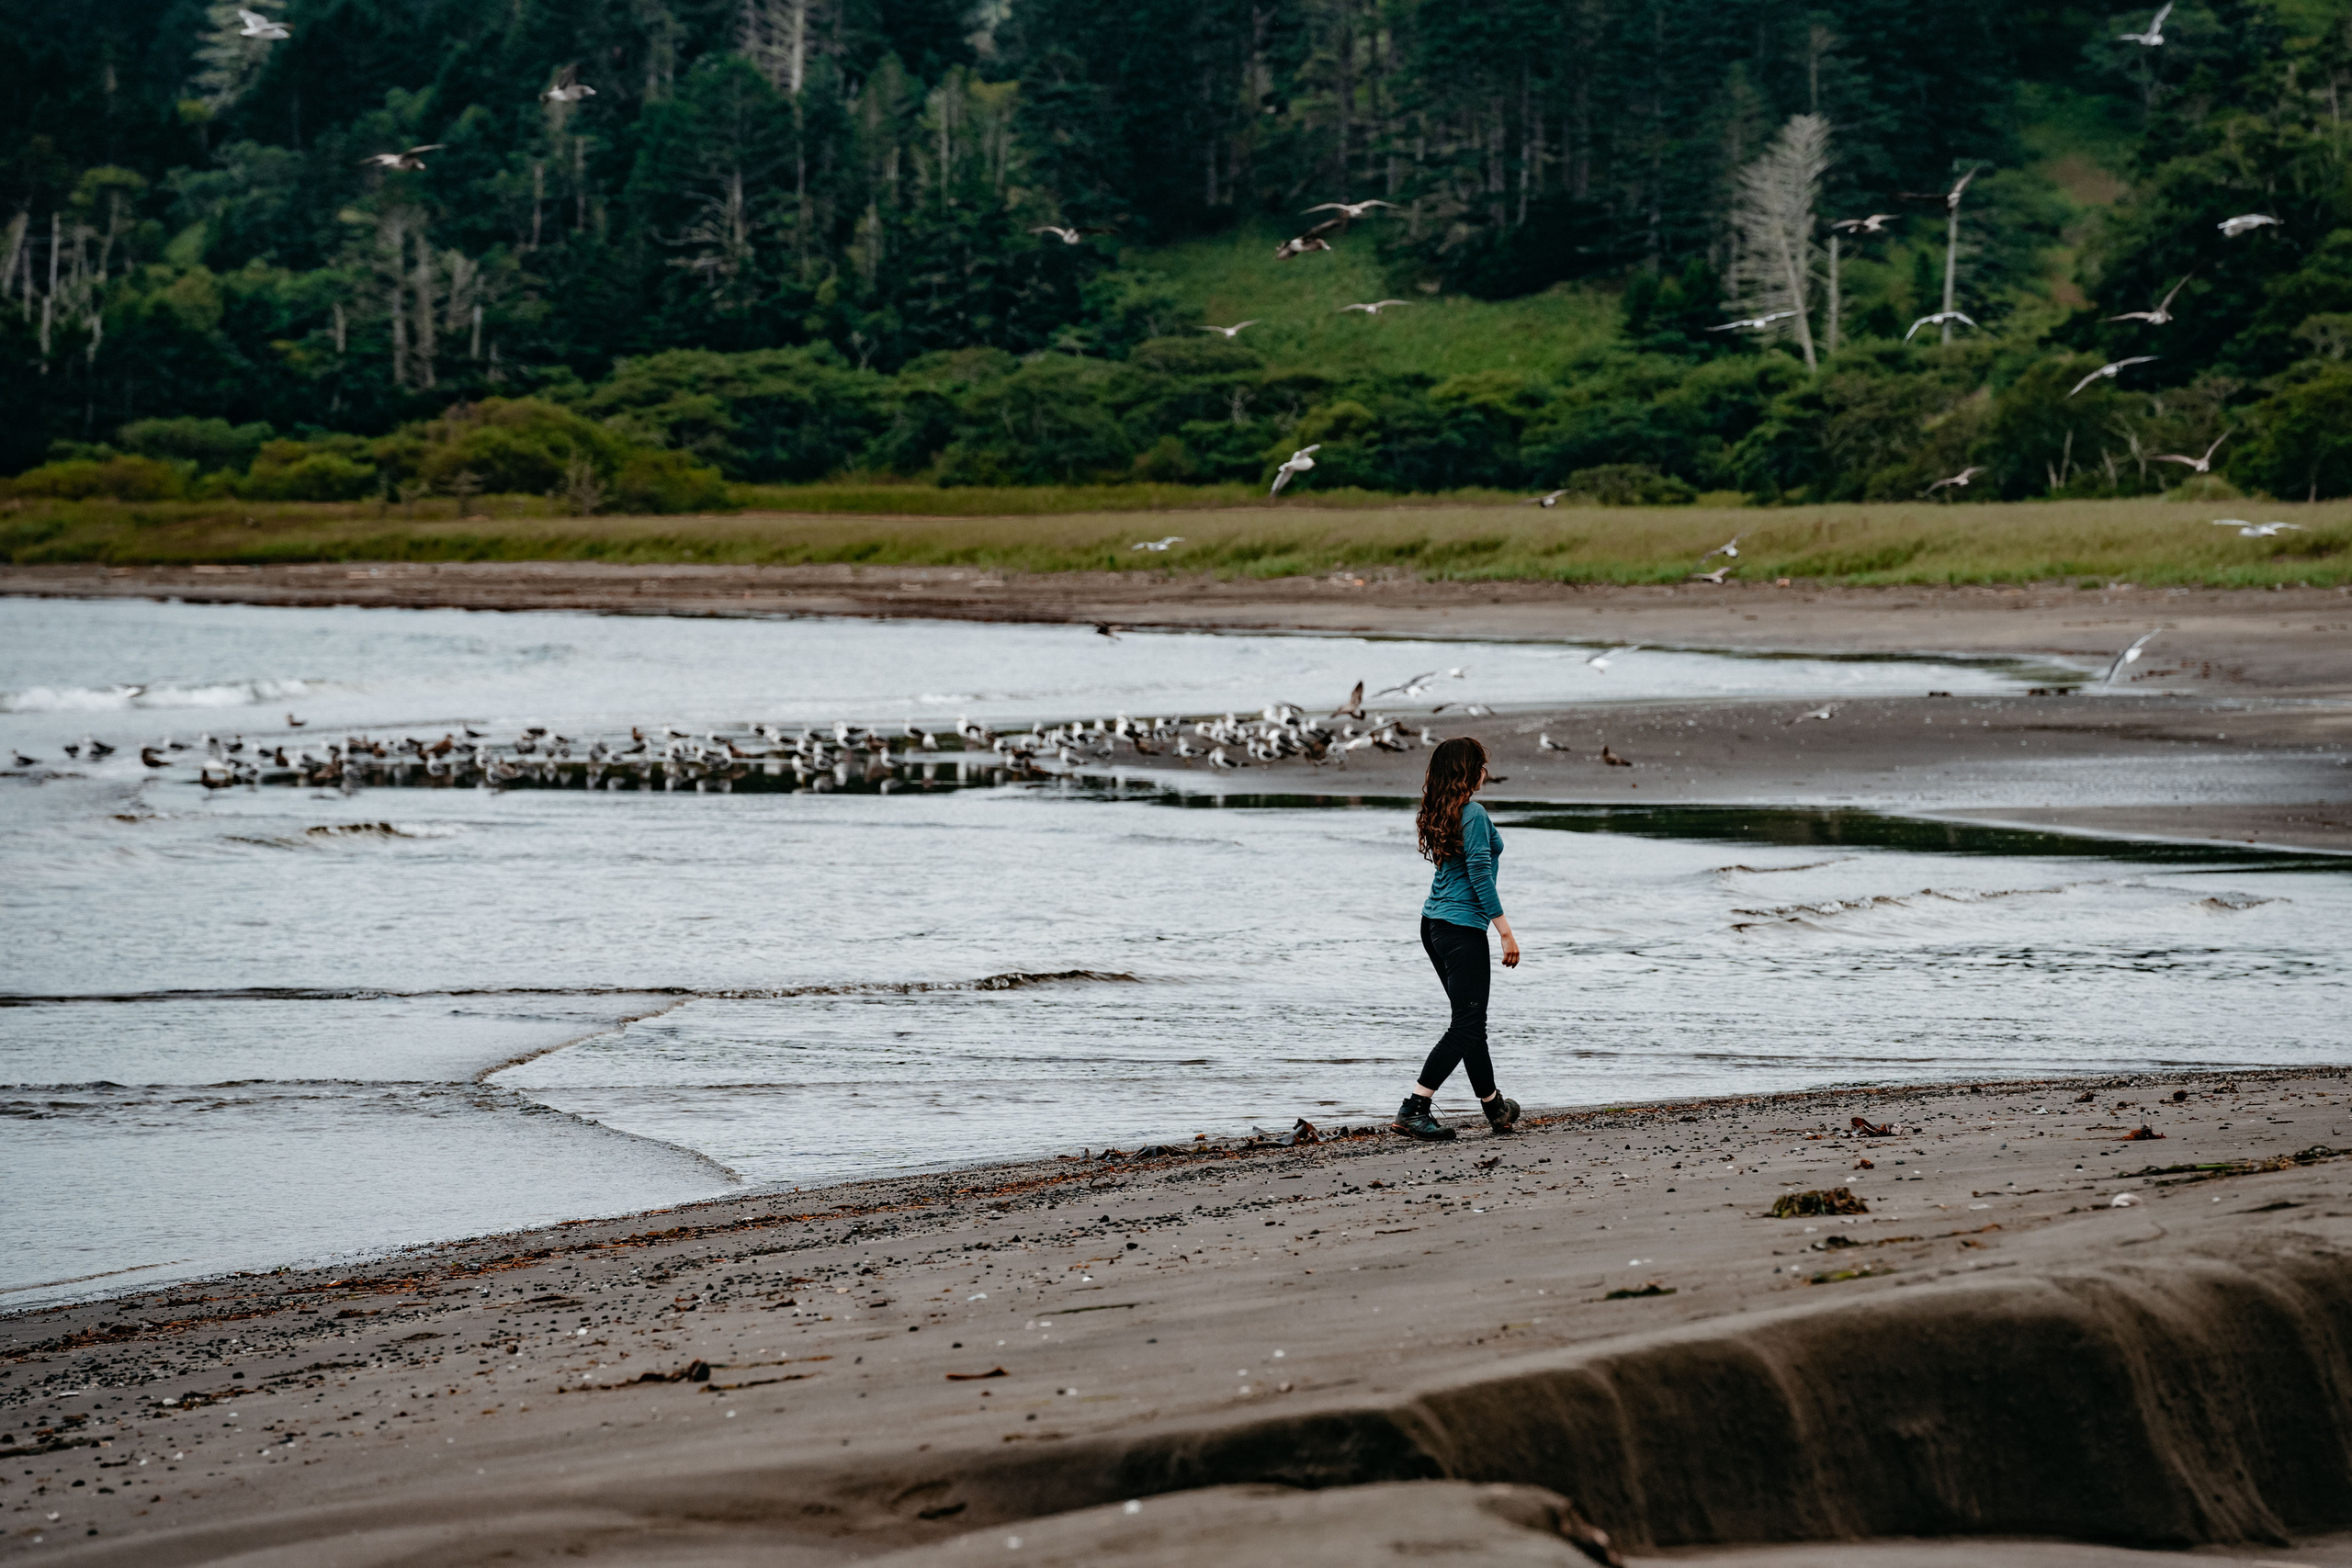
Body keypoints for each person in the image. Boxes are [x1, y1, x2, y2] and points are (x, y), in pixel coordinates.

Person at [1395, 736, 1521, 1142]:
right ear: (1468, 771)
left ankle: (1494, 1107)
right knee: (1466, 1025)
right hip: (1461, 929)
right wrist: (1505, 932)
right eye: (1481, 765)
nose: (1486, 771)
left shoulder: (1442, 810)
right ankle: (1414, 1108)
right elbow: (1480, 874)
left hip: (1433, 924)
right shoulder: (1474, 813)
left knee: (1469, 1022)